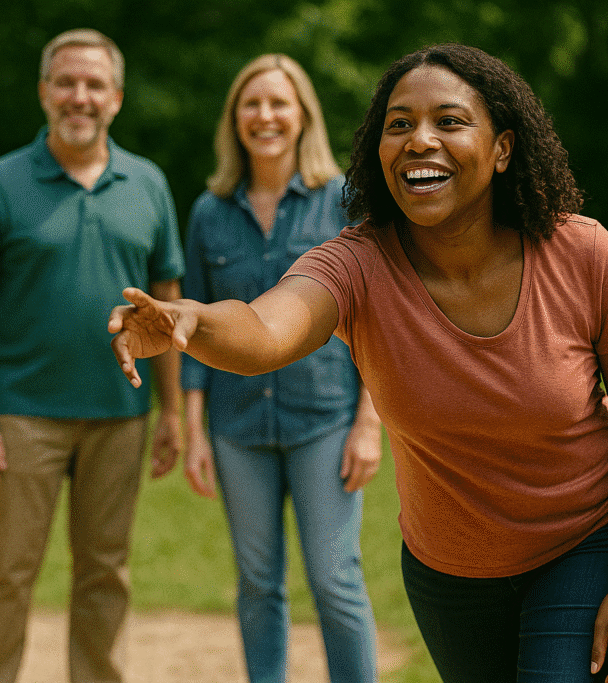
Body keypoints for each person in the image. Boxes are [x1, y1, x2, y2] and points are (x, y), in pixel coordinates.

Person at [109, 43, 608, 683]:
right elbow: (268, 327)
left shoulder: (583, 254)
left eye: (450, 121)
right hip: (452, 570)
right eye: (399, 124)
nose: (419, 140)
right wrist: (191, 320)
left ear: (503, 149)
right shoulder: (358, 264)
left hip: (587, 539)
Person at [0, 28, 185, 683]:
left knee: (106, 573)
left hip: (121, 413)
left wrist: (172, 410)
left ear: (117, 98)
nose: (80, 96)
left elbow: (167, 302)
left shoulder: (149, 184)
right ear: (44, 92)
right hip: (22, 414)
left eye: (94, 84)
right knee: (5, 572)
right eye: (67, 82)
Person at [181, 54, 382, 683]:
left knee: (333, 579)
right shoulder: (209, 214)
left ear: (303, 116)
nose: (265, 115)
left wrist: (369, 423)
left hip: (324, 419)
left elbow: (379, 318)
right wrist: (193, 433)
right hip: (237, 425)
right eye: (251, 103)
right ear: (235, 120)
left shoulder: (343, 203)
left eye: (278, 102)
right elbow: (192, 329)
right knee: (257, 582)